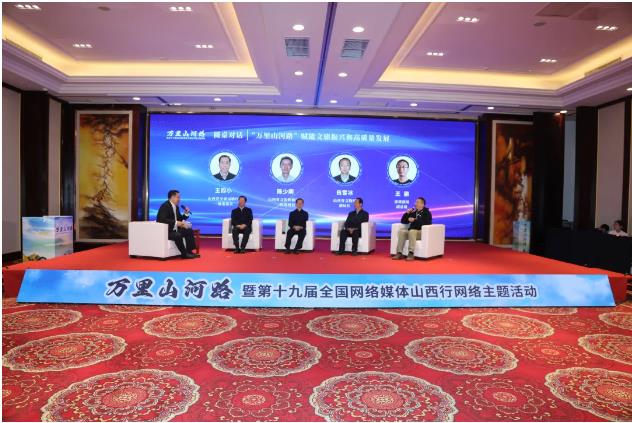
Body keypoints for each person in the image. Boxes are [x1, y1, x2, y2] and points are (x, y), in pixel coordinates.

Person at [156, 190, 198, 259]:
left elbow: (180, 219)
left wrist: (186, 213)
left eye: (179, 197)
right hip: (167, 231)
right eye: (178, 197)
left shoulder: (176, 207)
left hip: (174, 229)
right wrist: (176, 223)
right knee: (177, 235)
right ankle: (184, 255)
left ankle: (189, 252)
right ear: (172, 197)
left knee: (189, 230)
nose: (179, 199)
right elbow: (162, 220)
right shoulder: (165, 206)